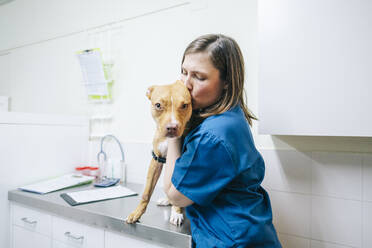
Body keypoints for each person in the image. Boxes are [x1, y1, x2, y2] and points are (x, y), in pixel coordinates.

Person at [163, 34, 282, 248]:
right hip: (250, 234)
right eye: (184, 72)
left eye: (199, 77)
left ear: (226, 82)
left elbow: (176, 196)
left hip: (231, 241)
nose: (185, 84)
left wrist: (173, 131)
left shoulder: (213, 135)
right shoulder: (230, 117)